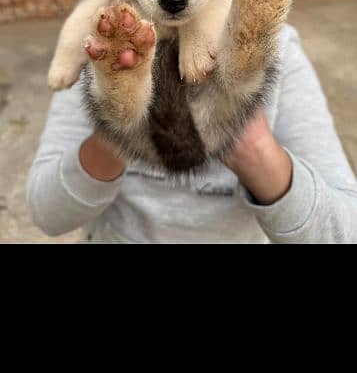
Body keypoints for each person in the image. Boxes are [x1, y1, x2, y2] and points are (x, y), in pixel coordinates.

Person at [27, 25, 357, 244]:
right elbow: (47, 212)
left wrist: (254, 149)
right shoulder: (102, 43)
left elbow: (344, 231)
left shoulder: (278, 49)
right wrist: (121, 124)